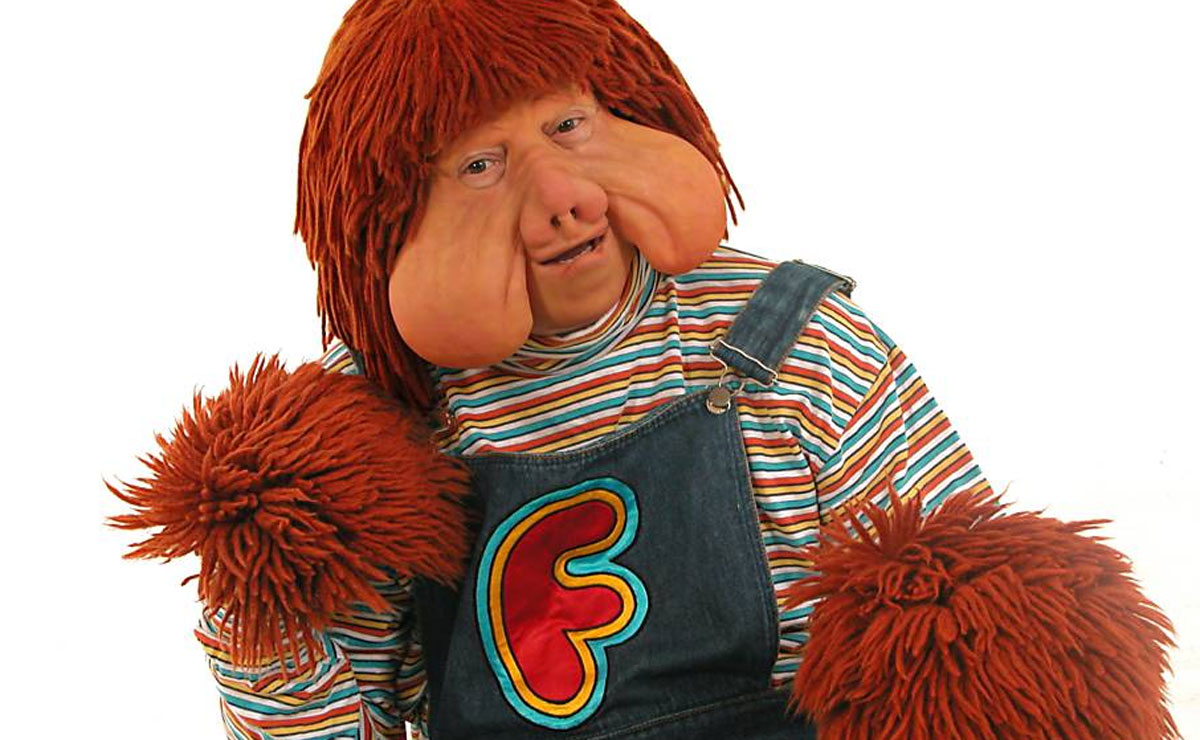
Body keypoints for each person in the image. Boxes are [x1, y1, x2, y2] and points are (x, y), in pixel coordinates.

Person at [154, 1, 993, 737]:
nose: (563, 198)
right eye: (480, 166)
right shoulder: (380, 422)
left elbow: (958, 619)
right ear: (393, 218)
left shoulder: (786, 342)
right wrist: (265, 584)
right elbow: (334, 716)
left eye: (568, 126)